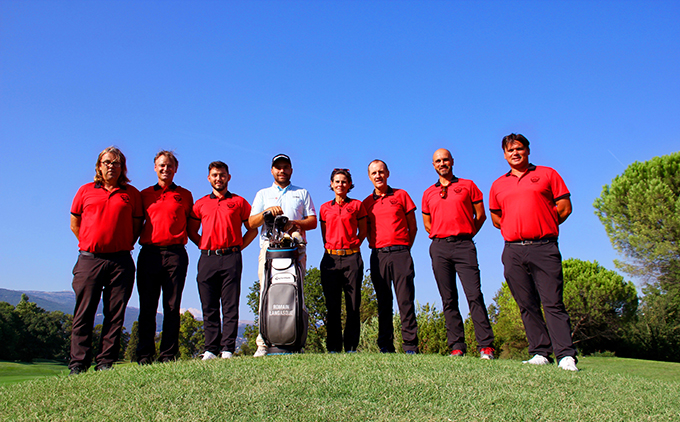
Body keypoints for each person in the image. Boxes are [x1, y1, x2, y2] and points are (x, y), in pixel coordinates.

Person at [489, 133, 579, 371]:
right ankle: (540, 351)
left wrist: (544, 223)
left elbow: (565, 207)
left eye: (519, 149)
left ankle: (566, 355)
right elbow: (496, 218)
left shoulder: (548, 174)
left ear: (528, 150)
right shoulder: (498, 184)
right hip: (513, 250)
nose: (515, 153)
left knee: (553, 302)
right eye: (510, 151)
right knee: (526, 303)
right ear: (504, 155)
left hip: (544, 247)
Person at [69, 146, 143, 374]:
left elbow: (136, 225)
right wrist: (93, 242)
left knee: (115, 313)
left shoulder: (131, 193)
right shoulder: (85, 191)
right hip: (90, 260)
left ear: (123, 168)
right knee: (84, 312)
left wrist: (117, 243)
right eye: (107, 162)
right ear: (99, 166)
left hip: (121, 261)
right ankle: (78, 363)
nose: (111, 166)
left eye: (116, 163)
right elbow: (75, 224)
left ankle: (105, 363)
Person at [422, 148, 495, 359]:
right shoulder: (428, 193)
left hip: (464, 245)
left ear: (452, 161)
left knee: (474, 295)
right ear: (433, 165)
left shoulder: (468, 186)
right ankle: (456, 346)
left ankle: (486, 346)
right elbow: (427, 224)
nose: (442, 163)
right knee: (448, 298)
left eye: (445, 160)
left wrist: (466, 231)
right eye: (438, 161)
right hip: (439, 247)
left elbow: (480, 216)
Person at [249, 154, 317, 357]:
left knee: (297, 293)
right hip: (269, 251)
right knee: (265, 293)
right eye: (278, 167)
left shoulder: (302, 192)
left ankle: (296, 340)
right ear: (272, 170)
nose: (282, 171)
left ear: (291, 170)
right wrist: (266, 213)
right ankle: (263, 343)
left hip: (296, 251)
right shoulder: (263, 194)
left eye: (285, 167)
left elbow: (313, 221)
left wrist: (294, 223)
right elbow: (252, 223)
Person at [136, 151, 199, 364]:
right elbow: (136, 226)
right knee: (147, 306)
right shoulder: (143, 195)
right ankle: (144, 355)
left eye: (170, 166)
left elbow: (192, 228)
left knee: (172, 307)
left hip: (175, 254)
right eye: (162, 165)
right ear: (155, 168)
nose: (166, 169)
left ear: (176, 169)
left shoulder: (185, 195)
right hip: (149, 254)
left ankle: (168, 355)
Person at [192, 161, 257, 360]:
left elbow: (252, 228)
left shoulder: (239, 202)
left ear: (228, 177)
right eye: (214, 175)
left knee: (230, 305)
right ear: (208, 178)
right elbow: (191, 230)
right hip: (207, 258)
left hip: (231, 257)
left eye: (222, 175)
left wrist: (238, 247)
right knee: (208, 305)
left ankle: (227, 348)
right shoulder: (200, 203)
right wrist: (203, 245)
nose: (218, 178)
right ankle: (211, 349)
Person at [362, 160, 419, 354]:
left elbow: (413, 226)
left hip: (401, 253)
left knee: (405, 300)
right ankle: (385, 346)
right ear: (369, 177)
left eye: (381, 172)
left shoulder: (401, 195)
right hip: (378, 256)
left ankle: (410, 346)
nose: (378, 176)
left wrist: (404, 247)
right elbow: (366, 230)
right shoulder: (366, 203)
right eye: (373, 173)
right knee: (383, 302)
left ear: (387, 173)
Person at [319, 168, 367, 353]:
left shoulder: (357, 205)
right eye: (337, 181)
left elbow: (363, 231)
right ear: (331, 184)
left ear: (349, 185)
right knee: (332, 305)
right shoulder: (324, 208)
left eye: (344, 181)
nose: (340, 185)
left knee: (353, 304)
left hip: (352, 258)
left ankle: (351, 347)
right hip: (330, 258)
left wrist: (352, 245)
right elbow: (325, 235)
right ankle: (333, 347)